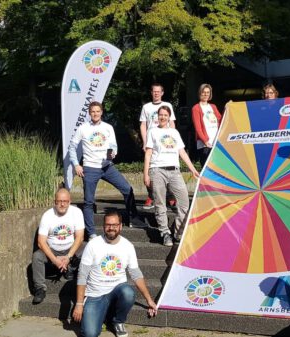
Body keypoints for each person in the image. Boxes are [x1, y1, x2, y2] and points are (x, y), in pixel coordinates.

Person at [73, 211, 157, 337]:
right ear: (103, 226)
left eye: (115, 224)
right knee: (89, 334)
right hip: (95, 294)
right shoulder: (93, 245)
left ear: (121, 226)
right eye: (108, 225)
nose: (111, 228)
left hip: (117, 290)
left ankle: (118, 321)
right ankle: (101, 316)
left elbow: (136, 275)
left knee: (128, 293)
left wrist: (149, 300)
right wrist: (79, 304)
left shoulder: (127, 246)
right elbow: (82, 275)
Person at [69, 101, 146, 239]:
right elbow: (72, 147)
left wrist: (113, 153)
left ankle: (134, 219)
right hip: (90, 168)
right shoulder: (83, 128)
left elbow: (113, 146)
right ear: (89, 113)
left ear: (101, 112)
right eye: (93, 111)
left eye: (98, 111)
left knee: (127, 189)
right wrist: (76, 164)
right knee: (88, 202)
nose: (95, 114)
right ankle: (91, 232)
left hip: (107, 167)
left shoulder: (108, 127)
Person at [144, 105, 200, 246]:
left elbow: (182, 152)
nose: (163, 117)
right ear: (158, 116)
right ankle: (165, 233)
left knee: (184, 202)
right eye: (160, 115)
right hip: (157, 170)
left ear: (169, 117)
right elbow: (148, 153)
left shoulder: (174, 132)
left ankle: (178, 232)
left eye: (165, 115)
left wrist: (192, 169)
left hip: (175, 171)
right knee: (160, 203)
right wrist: (146, 174)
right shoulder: (153, 131)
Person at [32, 188, 85, 304]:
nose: (62, 204)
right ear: (54, 202)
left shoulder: (76, 213)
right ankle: (40, 288)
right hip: (53, 250)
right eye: (59, 201)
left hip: (70, 249)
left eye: (65, 201)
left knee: (87, 251)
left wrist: (68, 257)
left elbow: (80, 237)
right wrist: (54, 260)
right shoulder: (47, 215)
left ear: (70, 202)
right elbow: (41, 242)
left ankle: (70, 270)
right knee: (37, 256)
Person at [139, 83, 176, 210]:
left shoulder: (168, 106)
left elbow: (172, 124)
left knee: (169, 167)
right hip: (151, 142)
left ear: (162, 93)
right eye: (154, 91)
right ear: (151, 92)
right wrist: (144, 142)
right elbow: (143, 125)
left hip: (165, 143)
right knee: (150, 169)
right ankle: (151, 195)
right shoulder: (146, 107)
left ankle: (170, 196)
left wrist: (173, 141)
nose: (156, 93)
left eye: (158, 91)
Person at [191, 83, 222, 167]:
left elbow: (221, 119)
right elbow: (198, 128)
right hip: (205, 144)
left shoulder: (213, 106)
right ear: (200, 93)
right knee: (207, 168)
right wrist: (205, 141)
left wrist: (227, 108)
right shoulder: (196, 108)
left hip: (215, 141)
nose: (206, 94)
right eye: (203, 92)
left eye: (208, 92)